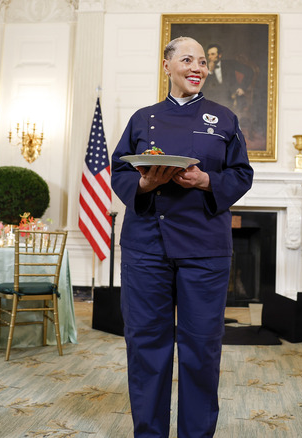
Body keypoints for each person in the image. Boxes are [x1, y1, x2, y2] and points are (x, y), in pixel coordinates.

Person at [111, 36, 253, 438]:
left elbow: (242, 173)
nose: (197, 68)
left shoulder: (224, 118)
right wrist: (144, 184)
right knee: (146, 346)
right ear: (167, 65)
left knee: (201, 348)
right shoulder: (142, 118)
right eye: (187, 60)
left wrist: (206, 180)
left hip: (205, 248)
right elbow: (119, 170)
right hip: (146, 247)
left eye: (203, 62)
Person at [204, 43, 254, 111]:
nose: (209, 57)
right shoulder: (205, 69)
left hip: (233, 98)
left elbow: (249, 71)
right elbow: (204, 88)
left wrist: (242, 87)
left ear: (219, 55)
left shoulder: (230, 64)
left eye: (212, 54)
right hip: (215, 101)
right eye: (208, 54)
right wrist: (210, 72)